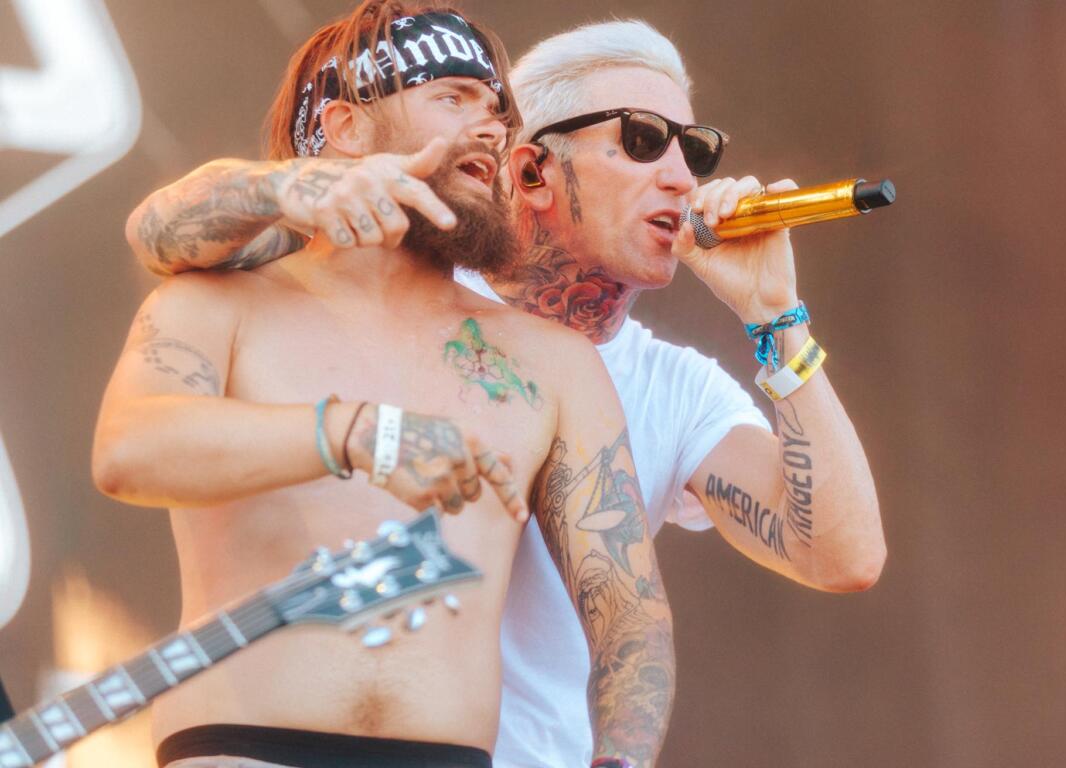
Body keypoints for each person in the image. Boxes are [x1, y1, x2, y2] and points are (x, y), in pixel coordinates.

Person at [125, 17, 887, 768]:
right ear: (530, 171)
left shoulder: (670, 389)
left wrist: (775, 314)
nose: (683, 178)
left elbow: (843, 556)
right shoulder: (400, 274)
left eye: (695, 150)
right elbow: (165, 232)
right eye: (643, 139)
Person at [95, 5, 674, 767]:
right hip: (244, 745)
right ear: (345, 126)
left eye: (498, 111)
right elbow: (128, 453)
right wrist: (357, 432)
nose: (491, 127)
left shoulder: (552, 360)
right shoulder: (217, 304)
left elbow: (629, 613)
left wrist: (621, 761)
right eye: (453, 97)